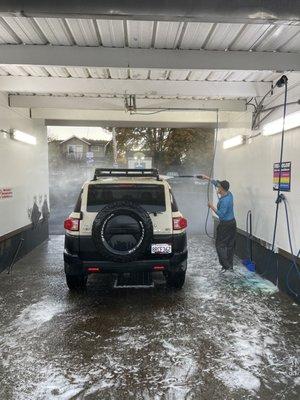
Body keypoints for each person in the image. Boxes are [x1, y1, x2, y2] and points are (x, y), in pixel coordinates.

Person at [201, 175, 236, 271]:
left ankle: (226, 266)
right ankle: (230, 265)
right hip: (232, 223)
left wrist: (211, 206)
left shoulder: (225, 201)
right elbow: (216, 183)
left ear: (222, 189)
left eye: (219, 187)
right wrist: (207, 178)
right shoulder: (229, 193)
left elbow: (221, 215)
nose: (217, 187)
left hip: (226, 225)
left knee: (220, 245)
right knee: (230, 245)